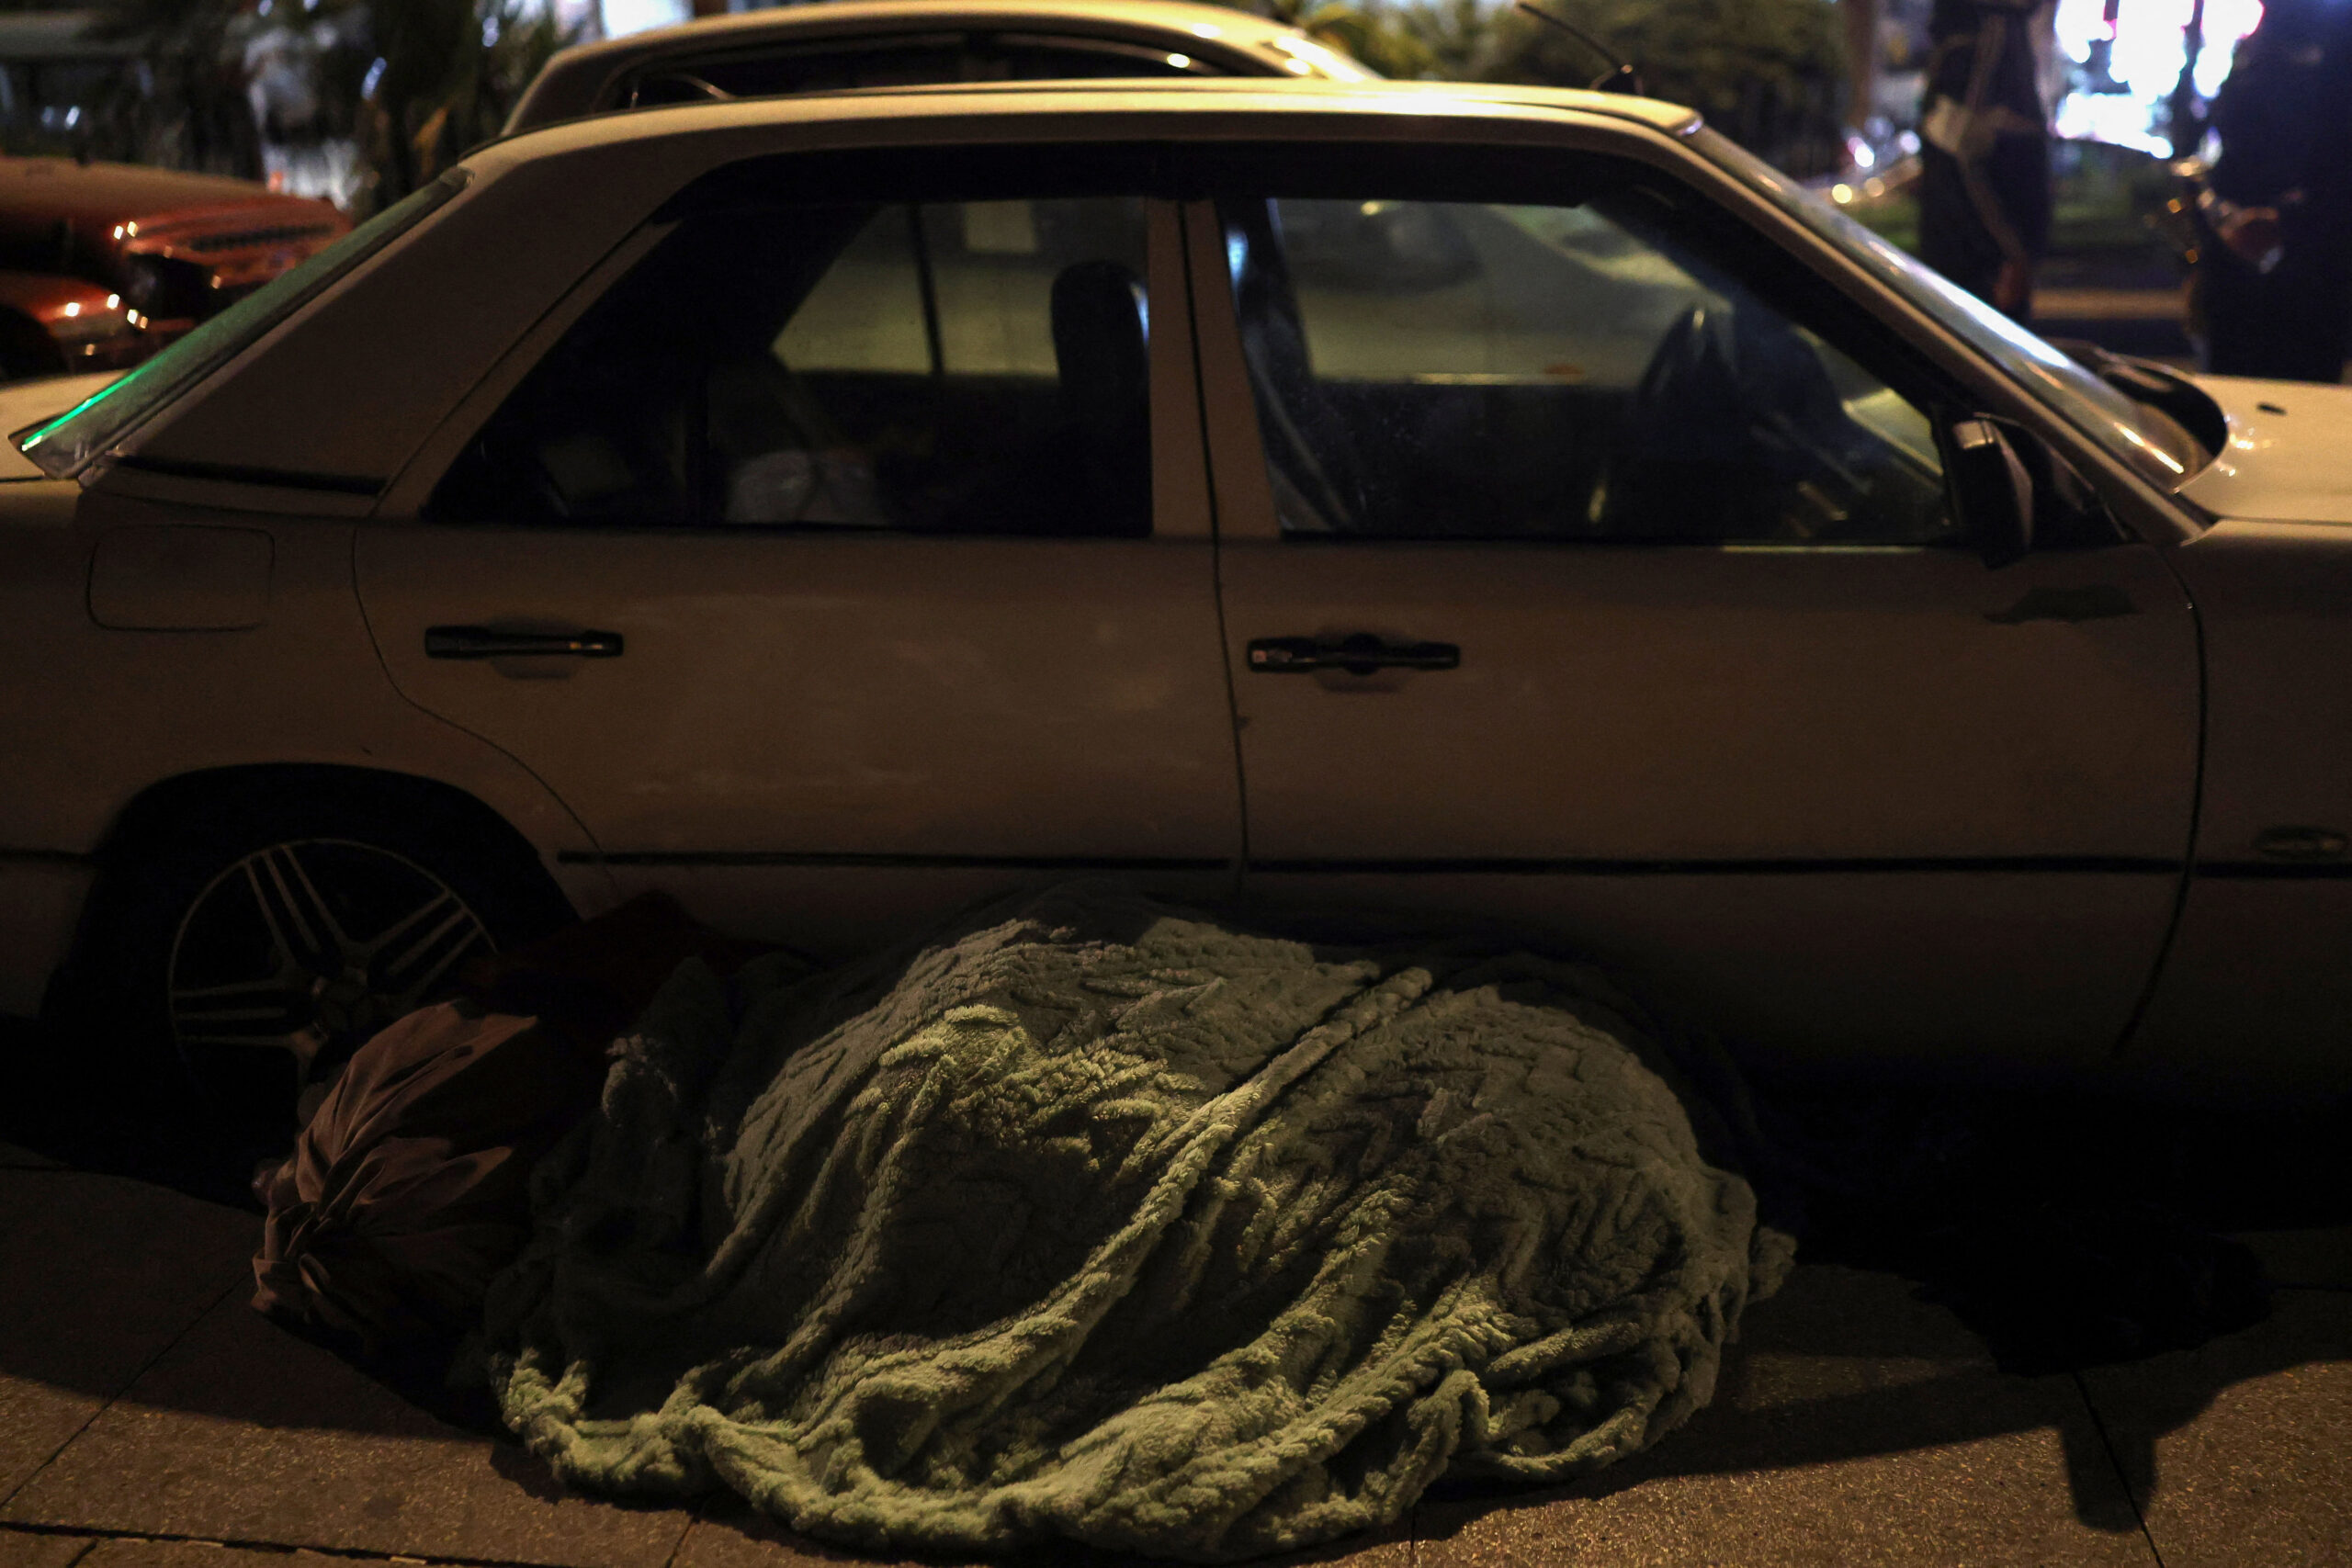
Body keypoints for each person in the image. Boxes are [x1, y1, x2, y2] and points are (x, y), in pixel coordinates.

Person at [2201, 0, 2352, 381]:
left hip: (2301, 269)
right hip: (2239, 259)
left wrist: (2289, 221)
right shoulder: (2263, 43)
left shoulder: (2332, 36)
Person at [1917, 0, 2056, 321]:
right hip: (1982, 270)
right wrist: (2011, 253)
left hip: (1975, 261)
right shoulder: (1987, 34)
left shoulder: (1988, 30)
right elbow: (1964, 155)